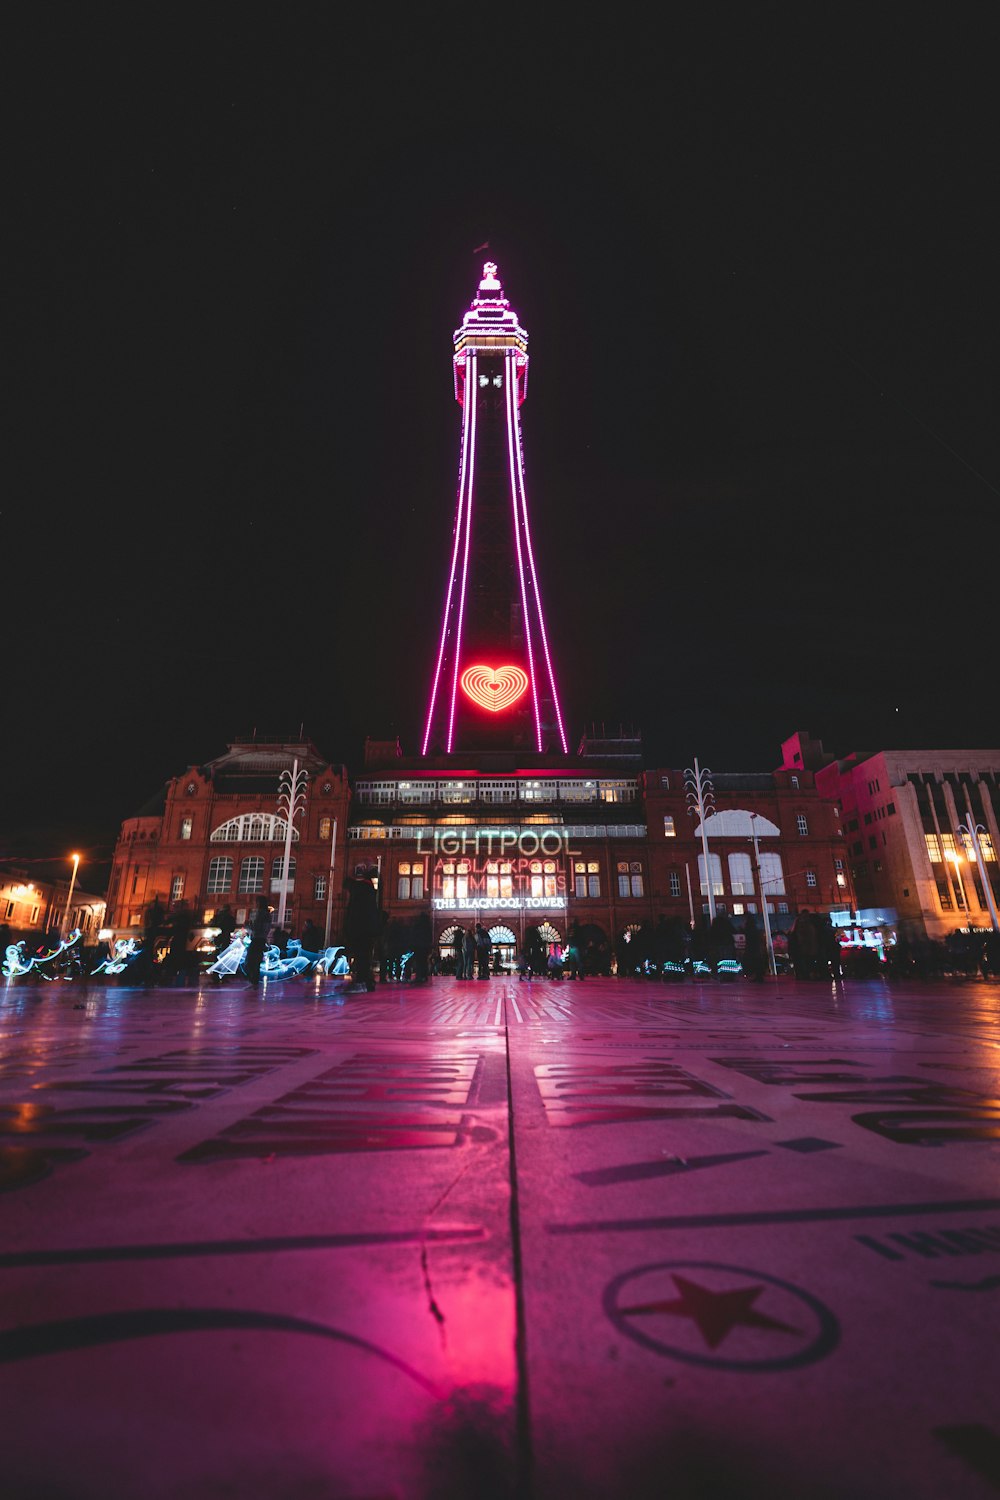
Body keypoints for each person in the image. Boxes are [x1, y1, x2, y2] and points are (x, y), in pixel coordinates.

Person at [342, 868, 380, 993]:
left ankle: (361, 983)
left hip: (360, 931)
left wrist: (349, 929)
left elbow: (354, 914)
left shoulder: (360, 892)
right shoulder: (369, 892)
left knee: (362, 957)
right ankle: (367, 983)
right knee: (365, 957)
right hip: (368, 931)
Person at [245, 896, 272, 986]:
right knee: (256, 961)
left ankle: (253, 980)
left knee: (250, 961)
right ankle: (254, 981)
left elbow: (256, 928)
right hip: (261, 940)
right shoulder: (267, 914)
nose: (254, 904)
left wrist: (248, 926)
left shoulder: (260, 914)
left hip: (256, 939)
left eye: (256, 902)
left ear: (259, 903)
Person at [742, 913, 765, 981]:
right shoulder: (754, 925)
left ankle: (756, 975)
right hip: (754, 946)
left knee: (752, 960)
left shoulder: (749, 926)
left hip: (751, 946)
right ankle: (758, 975)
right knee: (756, 960)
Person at [411, 909, 432, 984]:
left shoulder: (417, 925)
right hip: (424, 946)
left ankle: (419, 976)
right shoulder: (428, 925)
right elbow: (430, 936)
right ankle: (424, 976)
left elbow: (414, 935)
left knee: (418, 962)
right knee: (424, 961)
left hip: (418, 946)